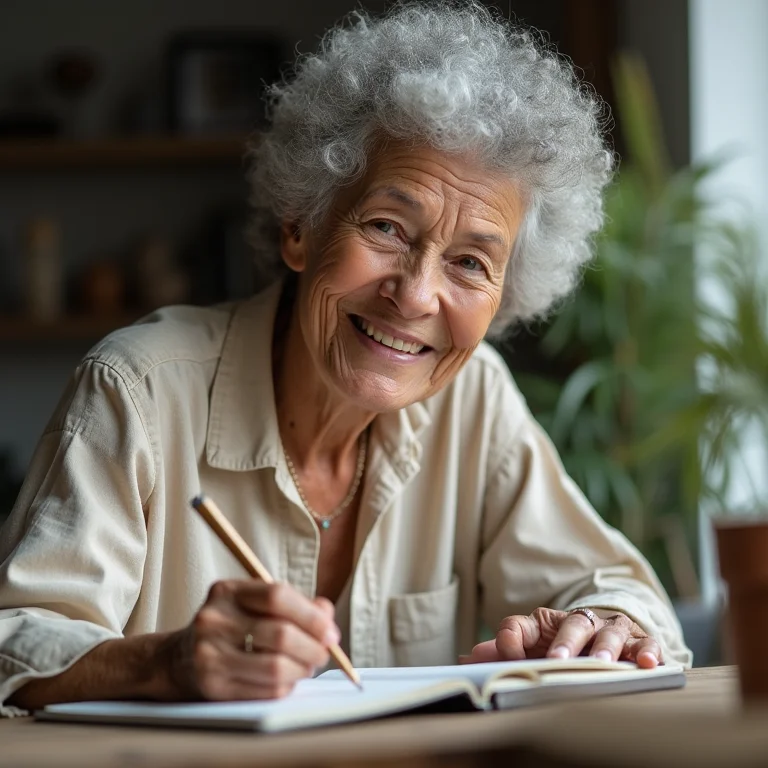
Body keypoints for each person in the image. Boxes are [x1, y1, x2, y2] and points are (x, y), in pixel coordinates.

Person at [0, 1, 691, 713]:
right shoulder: (136, 392)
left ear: (506, 296)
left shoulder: (473, 396)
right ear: (300, 226)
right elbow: (16, 642)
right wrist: (165, 662)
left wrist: (608, 627)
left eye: (470, 264)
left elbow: (625, 597)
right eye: (388, 227)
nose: (416, 295)